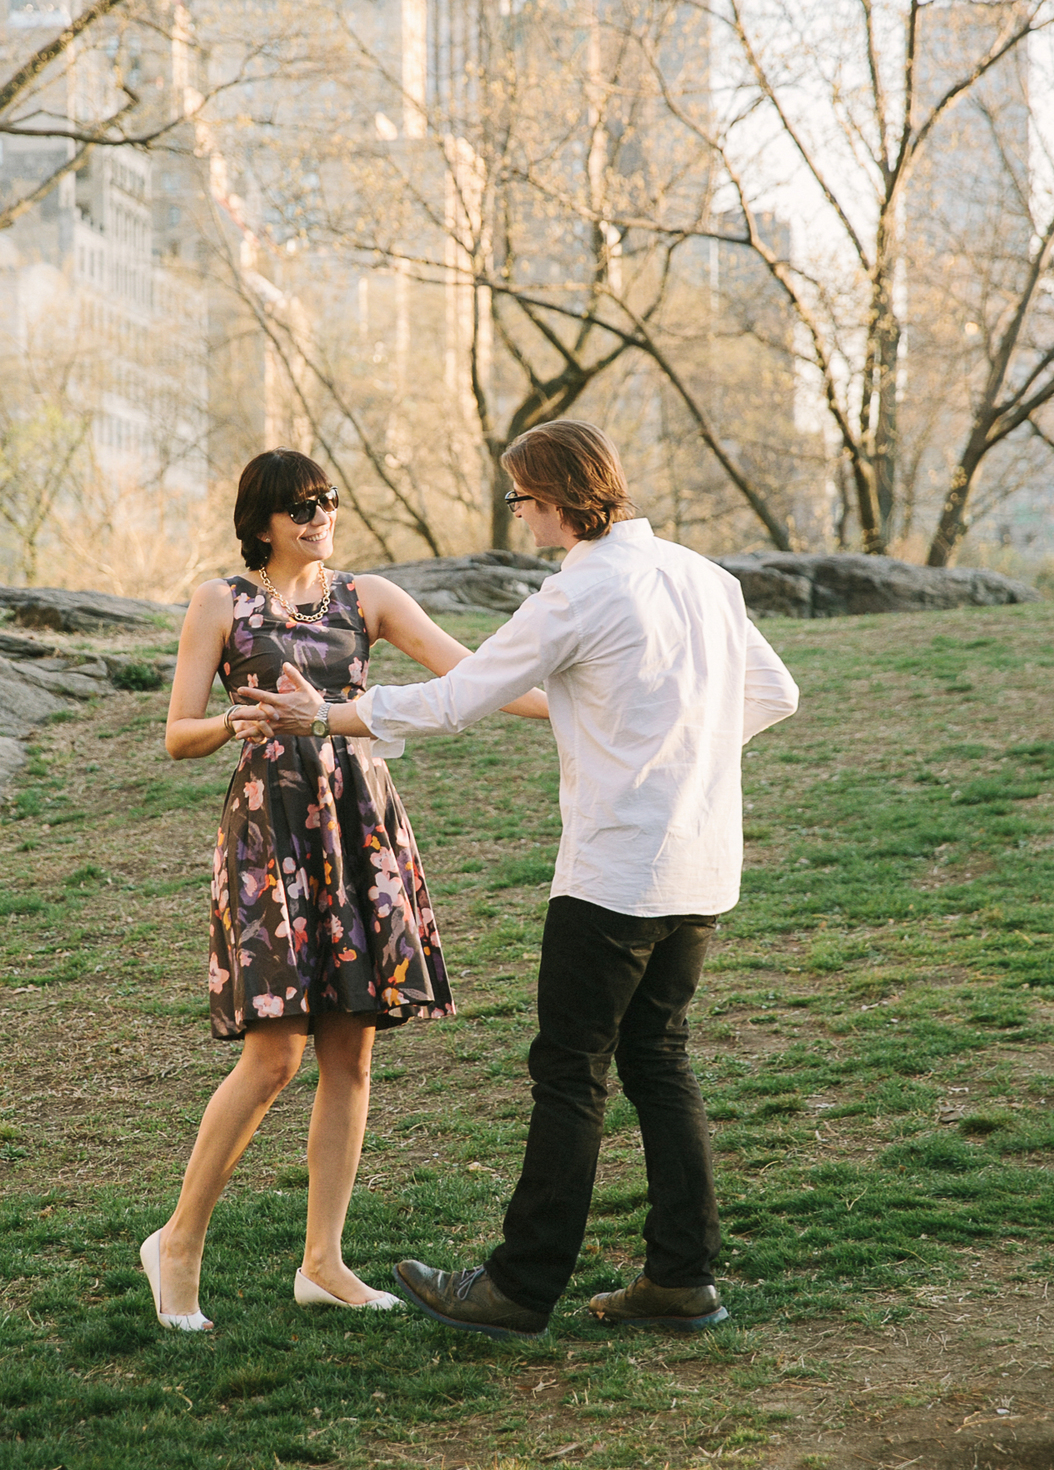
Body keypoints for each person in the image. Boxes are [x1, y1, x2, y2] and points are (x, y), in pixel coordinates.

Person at [234, 419, 800, 1338]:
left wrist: (321, 715)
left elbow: (456, 699)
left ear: (560, 500)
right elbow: (776, 693)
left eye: (522, 500)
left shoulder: (577, 596)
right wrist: (682, 758)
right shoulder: (706, 576)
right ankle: (682, 1278)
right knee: (660, 1061)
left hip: (615, 872)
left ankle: (519, 1286)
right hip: (701, 865)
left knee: (569, 1074)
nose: (520, 516)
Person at [146, 448, 549, 1331]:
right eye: (299, 506)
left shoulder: (368, 598)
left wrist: (587, 708)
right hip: (270, 831)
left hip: (359, 826)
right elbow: (177, 734)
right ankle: (176, 1243)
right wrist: (233, 719)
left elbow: (471, 675)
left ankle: (322, 1262)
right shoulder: (222, 602)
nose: (318, 516)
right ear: (261, 522)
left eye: (326, 500)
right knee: (274, 1053)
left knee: (350, 1053)